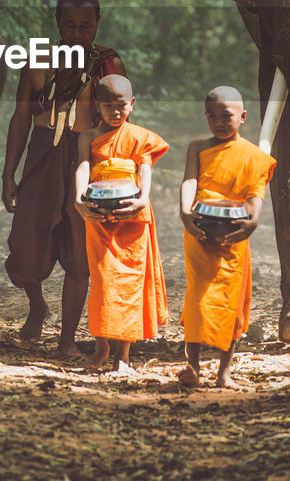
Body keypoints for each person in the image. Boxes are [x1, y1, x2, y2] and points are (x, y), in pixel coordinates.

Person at [2, 0, 125, 356]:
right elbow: (21, 116)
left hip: (88, 159)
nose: (77, 33)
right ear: (57, 23)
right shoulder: (39, 60)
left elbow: (120, 120)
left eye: (85, 26)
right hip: (43, 157)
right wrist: (9, 174)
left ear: (97, 24)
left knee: (80, 251)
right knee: (25, 243)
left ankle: (67, 340)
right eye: (69, 25)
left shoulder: (108, 64)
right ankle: (37, 305)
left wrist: (118, 179)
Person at [177, 86, 275, 390]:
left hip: (234, 232)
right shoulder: (197, 147)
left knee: (231, 303)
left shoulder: (254, 157)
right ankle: (192, 366)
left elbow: (254, 195)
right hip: (200, 230)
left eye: (226, 116)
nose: (219, 122)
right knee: (198, 297)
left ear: (243, 117)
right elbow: (190, 180)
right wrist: (185, 212)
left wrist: (253, 221)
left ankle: (224, 372)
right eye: (212, 116)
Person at [73, 75, 169, 373]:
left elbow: (144, 170)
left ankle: (123, 356)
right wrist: (78, 199)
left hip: (131, 216)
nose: (115, 111)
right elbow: (83, 166)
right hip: (99, 216)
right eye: (108, 106)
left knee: (129, 285)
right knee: (103, 282)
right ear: (96, 107)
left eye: (121, 105)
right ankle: (101, 348)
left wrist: (143, 198)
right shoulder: (88, 136)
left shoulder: (140, 136)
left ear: (132, 104)